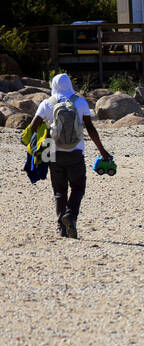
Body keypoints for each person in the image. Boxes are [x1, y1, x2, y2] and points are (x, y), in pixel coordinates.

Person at [26, 73, 111, 238]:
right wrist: (102, 150)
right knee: (78, 187)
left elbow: (32, 127)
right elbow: (90, 128)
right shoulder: (80, 102)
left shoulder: (47, 103)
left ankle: (62, 228)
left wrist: (42, 137)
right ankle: (70, 215)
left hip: (53, 153)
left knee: (59, 191)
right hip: (76, 152)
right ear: (69, 85)